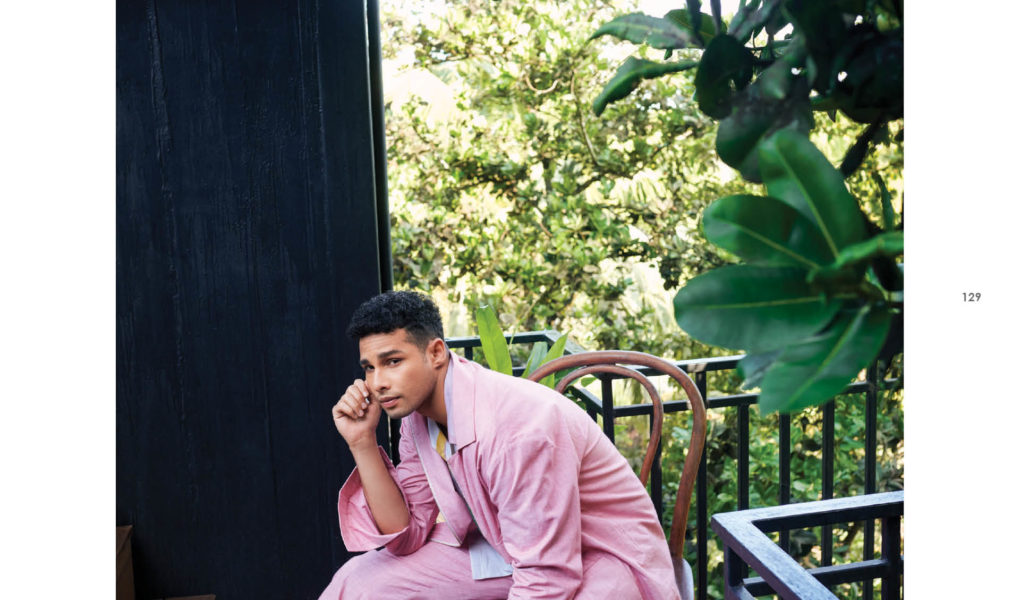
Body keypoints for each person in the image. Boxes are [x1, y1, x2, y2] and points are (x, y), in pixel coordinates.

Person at [319, 291, 680, 599]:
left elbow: (547, 578)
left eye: (393, 361)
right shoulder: (418, 420)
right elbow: (406, 535)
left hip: (600, 557)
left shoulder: (518, 429)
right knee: (359, 583)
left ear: (436, 353)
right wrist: (362, 442)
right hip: (507, 544)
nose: (377, 383)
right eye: (370, 367)